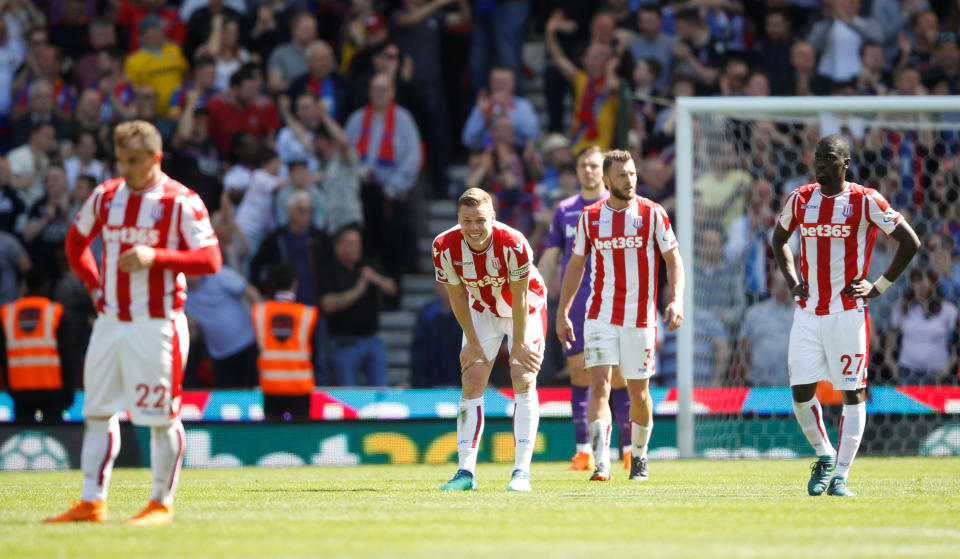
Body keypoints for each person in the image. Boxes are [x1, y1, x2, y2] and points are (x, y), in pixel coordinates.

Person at [46, 120, 221, 525]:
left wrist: (156, 256)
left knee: (162, 418)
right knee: (96, 411)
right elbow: (75, 244)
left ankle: (161, 503)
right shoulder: (106, 197)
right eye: (122, 159)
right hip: (109, 321)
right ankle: (93, 502)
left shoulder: (182, 201)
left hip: (157, 323)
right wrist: (93, 285)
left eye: (135, 161)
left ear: (156, 158)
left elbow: (211, 260)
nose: (126, 169)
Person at [771, 134, 920, 498]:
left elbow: (910, 241)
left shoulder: (865, 200)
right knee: (800, 392)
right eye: (817, 158)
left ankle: (840, 476)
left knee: (853, 393)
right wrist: (792, 281)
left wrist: (879, 286)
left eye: (829, 158)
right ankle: (824, 455)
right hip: (808, 312)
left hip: (847, 312)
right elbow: (778, 240)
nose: (820, 164)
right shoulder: (800, 199)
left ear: (846, 163)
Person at [557, 149, 684, 482]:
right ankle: (602, 463)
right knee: (599, 384)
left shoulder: (653, 213)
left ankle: (639, 457)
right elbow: (575, 266)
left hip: (641, 319)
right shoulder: (590, 216)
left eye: (632, 174)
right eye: (622, 175)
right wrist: (563, 311)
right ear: (606, 179)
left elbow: (673, 260)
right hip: (599, 316)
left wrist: (677, 299)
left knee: (638, 394)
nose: (630, 180)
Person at [433, 187, 547, 492]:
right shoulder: (443, 246)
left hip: (525, 307)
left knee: (523, 377)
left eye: (480, 220)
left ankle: (521, 472)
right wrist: (470, 340)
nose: (473, 228)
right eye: (466, 221)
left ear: (492, 218)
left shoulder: (514, 243)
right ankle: (465, 473)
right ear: (459, 219)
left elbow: (521, 299)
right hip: (482, 308)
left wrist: (519, 343)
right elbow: (456, 295)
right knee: (471, 378)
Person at [538, 146, 632, 472]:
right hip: (578, 303)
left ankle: (629, 449)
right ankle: (584, 451)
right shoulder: (564, 209)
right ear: (577, 171)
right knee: (580, 373)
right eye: (583, 166)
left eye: (594, 165)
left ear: (603, 171)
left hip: (613, 299)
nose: (588, 171)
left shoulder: (618, 206)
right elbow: (553, 254)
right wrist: (535, 288)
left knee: (617, 377)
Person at [319, 225, 395, 387]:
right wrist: (357, 291)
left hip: (372, 339)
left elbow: (392, 289)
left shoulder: (368, 266)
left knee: (380, 390)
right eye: (351, 243)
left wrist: (377, 279)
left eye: (358, 243)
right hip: (345, 343)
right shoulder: (329, 270)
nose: (357, 247)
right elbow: (327, 304)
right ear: (338, 246)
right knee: (349, 393)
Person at [1, 269, 75, 424]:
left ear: (25, 285)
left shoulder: (7, 313)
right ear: (47, 285)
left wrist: (9, 387)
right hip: (52, 389)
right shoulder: (56, 312)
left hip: (20, 390)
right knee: (54, 442)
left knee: (24, 438)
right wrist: (69, 394)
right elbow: (69, 355)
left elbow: (3, 354)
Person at [252, 263, 318, 420]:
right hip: (300, 386)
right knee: (300, 438)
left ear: (272, 284)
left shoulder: (259, 311)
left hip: (270, 386)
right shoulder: (308, 313)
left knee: (273, 439)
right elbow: (315, 351)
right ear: (295, 283)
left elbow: (257, 347)